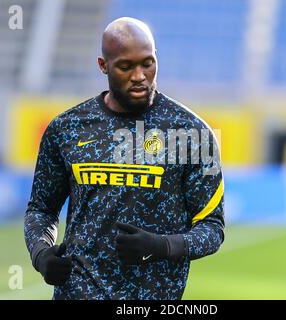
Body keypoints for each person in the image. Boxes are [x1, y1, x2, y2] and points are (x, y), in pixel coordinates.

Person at [24, 17, 225, 300]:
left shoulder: (194, 133)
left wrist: (162, 246)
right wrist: (41, 253)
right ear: (103, 65)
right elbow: (41, 210)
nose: (139, 76)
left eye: (148, 63)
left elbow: (213, 229)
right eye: (125, 66)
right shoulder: (65, 129)